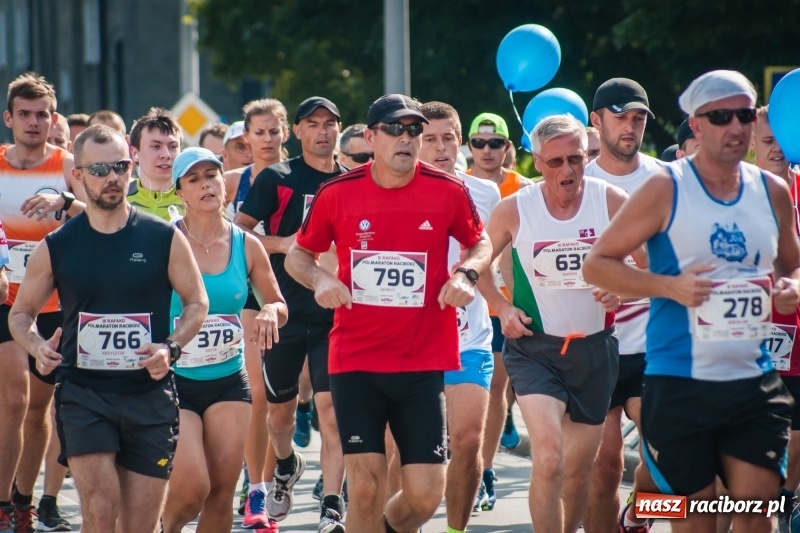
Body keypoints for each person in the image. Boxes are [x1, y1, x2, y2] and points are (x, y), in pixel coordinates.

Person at [583, 69, 800, 533]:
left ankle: (644, 509)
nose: (736, 127)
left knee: (756, 511)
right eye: (722, 117)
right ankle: (641, 512)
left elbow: (791, 264)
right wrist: (669, 286)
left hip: (752, 379)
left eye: (744, 115)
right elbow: (597, 264)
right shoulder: (665, 187)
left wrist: (792, 286)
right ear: (697, 125)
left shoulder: (772, 192)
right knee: (696, 514)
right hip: (680, 381)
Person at [285, 93, 491, 533]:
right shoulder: (337, 193)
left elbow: (480, 242)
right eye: (395, 129)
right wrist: (320, 280)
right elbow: (298, 256)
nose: (407, 138)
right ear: (371, 137)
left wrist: (466, 275)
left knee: (425, 493)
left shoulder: (448, 190)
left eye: (414, 130)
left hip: (422, 361)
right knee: (364, 487)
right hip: (356, 360)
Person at [8, 124, 209, 533]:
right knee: (100, 513)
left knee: (139, 526)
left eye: (119, 166)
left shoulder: (162, 238)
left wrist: (170, 348)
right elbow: (21, 313)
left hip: (148, 396)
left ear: (131, 167)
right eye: (99, 169)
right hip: (84, 395)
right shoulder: (58, 245)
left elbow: (197, 303)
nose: (111, 177)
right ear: (78, 175)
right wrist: (36, 346)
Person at [482, 114, 630, 532]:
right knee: (549, 459)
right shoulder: (514, 209)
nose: (568, 170)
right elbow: (475, 264)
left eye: (576, 159)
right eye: (555, 162)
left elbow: (651, 264)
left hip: (594, 351)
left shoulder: (611, 200)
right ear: (536, 161)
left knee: (578, 473)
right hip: (536, 349)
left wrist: (624, 289)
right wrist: (502, 308)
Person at [234, 96, 347, 531]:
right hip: (282, 310)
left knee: (331, 411)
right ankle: (285, 465)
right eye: (312, 124)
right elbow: (238, 232)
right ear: (297, 132)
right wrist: (283, 244)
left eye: (329, 123)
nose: (322, 131)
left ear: (339, 129)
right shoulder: (276, 178)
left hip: (333, 314)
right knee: (279, 416)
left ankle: (332, 505)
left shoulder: (349, 181)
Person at [161, 147, 288, 533]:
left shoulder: (246, 244)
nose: (206, 185)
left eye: (212, 175)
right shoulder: (164, 240)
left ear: (224, 183)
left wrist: (270, 312)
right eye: (194, 179)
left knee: (221, 493)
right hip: (175, 381)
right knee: (191, 489)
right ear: (180, 192)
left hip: (229, 381)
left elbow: (278, 302)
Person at [584, 77, 663, 533]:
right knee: (603, 466)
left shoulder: (667, 180)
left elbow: (679, 269)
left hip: (656, 343)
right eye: (620, 117)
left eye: (638, 118)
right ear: (596, 121)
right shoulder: (574, 180)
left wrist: (627, 289)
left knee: (666, 454)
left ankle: (638, 517)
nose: (630, 127)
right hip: (592, 345)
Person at [0, 72, 78, 533]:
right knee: (15, 397)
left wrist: (63, 201)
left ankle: (23, 500)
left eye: (42, 115)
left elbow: (104, 214)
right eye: (24, 114)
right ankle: (1, 505)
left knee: (37, 409)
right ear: (8, 118)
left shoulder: (68, 166)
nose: (33, 122)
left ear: (52, 119)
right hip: (5, 299)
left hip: (53, 303)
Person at [419, 101, 500, 533]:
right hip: (411, 343)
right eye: (430, 139)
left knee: (468, 441)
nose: (441, 147)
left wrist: (506, 305)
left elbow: (495, 261)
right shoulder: (398, 191)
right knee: (407, 451)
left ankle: (455, 529)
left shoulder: (485, 194)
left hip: (469, 338)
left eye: (448, 138)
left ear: (460, 140)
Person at [223, 98, 291, 522]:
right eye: (259, 132)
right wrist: (281, 243)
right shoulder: (232, 182)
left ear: (286, 132)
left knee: (287, 402)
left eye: (274, 131)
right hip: (249, 292)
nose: (267, 139)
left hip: (296, 291)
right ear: (245, 137)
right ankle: (257, 490)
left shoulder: (299, 175)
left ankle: (283, 462)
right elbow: (222, 235)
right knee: (258, 393)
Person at [466, 111, 530, 511]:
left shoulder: (523, 189)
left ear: (507, 147)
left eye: (495, 143)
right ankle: (476, 465)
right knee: (483, 392)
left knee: (496, 387)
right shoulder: (460, 184)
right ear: (469, 146)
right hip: (471, 300)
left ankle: (485, 470)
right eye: (479, 143)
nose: (487, 150)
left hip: (508, 301)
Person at [752, 104, 800, 532]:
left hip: (795, 337)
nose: (778, 150)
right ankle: (644, 510)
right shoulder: (733, 192)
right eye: (768, 141)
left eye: (783, 141)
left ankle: (782, 502)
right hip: (740, 342)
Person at [127, 108, 184, 221]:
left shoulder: (194, 199)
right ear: (135, 153)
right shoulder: (117, 199)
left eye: (173, 146)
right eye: (155, 146)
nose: (166, 155)